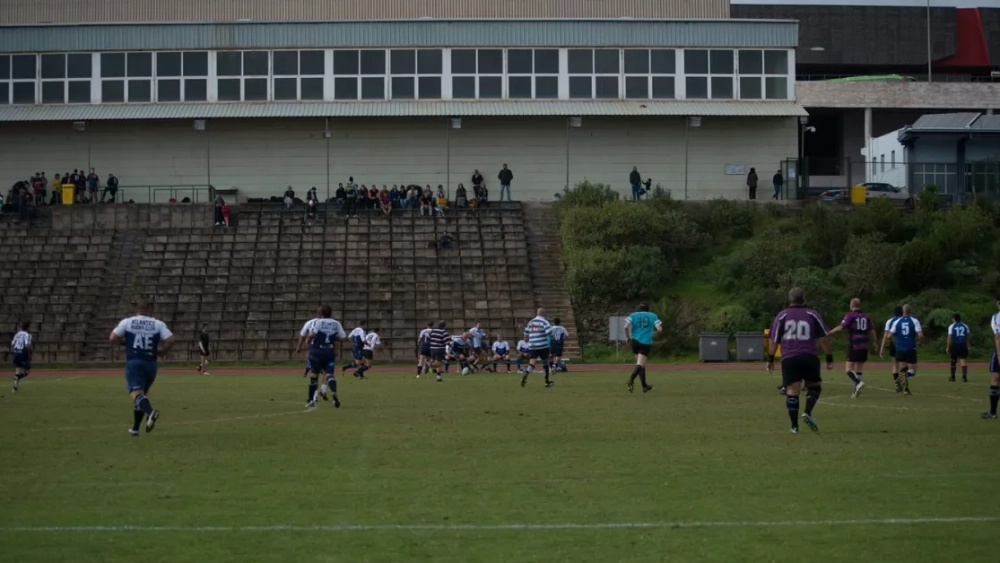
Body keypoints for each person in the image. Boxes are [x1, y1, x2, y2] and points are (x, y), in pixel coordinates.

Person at [766, 288, 832, 434]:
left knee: (792, 391)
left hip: (789, 358)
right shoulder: (813, 314)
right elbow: (823, 339)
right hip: (809, 356)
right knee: (814, 386)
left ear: (789, 299)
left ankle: (794, 426)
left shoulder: (782, 315)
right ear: (804, 299)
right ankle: (807, 412)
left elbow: (774, 340)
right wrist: (829, 357)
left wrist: (770, 359)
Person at [110, 300, 175, 436]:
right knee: (142, 395)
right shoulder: (158, 324)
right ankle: (135, 429)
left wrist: (125, 344)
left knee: (136, 393)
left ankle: (150, 412)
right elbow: (170, 340)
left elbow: (113, 338)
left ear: (137, 310)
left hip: (135, 361)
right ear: (149, 310)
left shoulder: (128, 322)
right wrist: (163, 351)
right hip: (151, 363)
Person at [295, 305, 346, 409]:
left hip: (316, 351)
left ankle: (311, 400)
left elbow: (311, 335)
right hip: (329, 351)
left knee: (314, 375)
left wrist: (308, 341)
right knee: (330, 375)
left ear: (320, 313)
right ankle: (334, 395)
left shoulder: (317, 322)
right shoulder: (336, 323)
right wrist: (332, 338)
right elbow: (342, 337)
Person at [825, 298, 876, 398]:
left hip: (855, 345)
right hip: (864, 345)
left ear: (852, 305)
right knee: (859, 369)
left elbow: (841, 327)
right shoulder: (866, 316)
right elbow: (872, 331)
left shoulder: (850, 315)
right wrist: (875, 342)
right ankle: (856, 390)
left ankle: (858, 382)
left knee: (848, 369)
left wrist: (830, 332)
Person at [880, 304, 923, 395]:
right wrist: (919, 341)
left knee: (901, 367)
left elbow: (888, 336)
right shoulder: (914, 321)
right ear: (910, 311)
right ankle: (903, 381)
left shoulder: (895, 322)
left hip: (899, 348)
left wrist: (894, 340)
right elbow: (920, 335)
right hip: (910, 348)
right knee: (912, 370)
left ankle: (904, 388)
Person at [624, 303, 662, 393]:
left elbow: (625, 327)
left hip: (635, 341)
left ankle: (644, 386)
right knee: (640, 364)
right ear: (648, 309)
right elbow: (660, 329)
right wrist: (654, 334)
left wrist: (628, 337)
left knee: (641, 364)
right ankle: (631, 379)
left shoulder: (633, 315)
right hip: (645, 342)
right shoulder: (652, 316)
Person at [520, 308, 554, 387]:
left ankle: (526, 372)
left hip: (532, 346)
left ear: (537, 313)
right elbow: (549, 332)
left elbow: (526, 334)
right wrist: (552, 337)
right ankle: (546, 381)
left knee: (532, 363)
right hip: (543, 345)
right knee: (545, 363)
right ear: (544, 314)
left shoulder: (530, 322)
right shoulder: (544, 321)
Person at [982, 297, 1000, 420]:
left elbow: (998, 336)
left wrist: (999, 355)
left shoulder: (997, 317)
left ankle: (993, 412)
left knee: (995, 379)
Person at [882, 306, 903, 387]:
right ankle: (901, 381)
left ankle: (897, 383)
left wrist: (882, 348)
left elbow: (886, 336)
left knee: (895, 364)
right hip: (903, 343)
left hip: (893, 344)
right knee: (904, 365)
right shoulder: (905, 320)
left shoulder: (890, 321)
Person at [947, 313, 971, 383]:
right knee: (963, 360)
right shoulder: (965, 326)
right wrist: (968, 344)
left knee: (953, 361)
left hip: (955, 344)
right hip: (963, 344)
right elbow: (968, 335)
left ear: (954, 319)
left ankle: (952, 377)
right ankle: (964, 377)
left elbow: (950, 337)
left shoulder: (952, 326)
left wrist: (948, 347)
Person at [11, 321, 33, 393]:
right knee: (28, 371)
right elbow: (27, 345)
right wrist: (31, 351)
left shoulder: (17, 334)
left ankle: (15, 388)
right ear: (28, 327)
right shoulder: (28, 335)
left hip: (16, 353)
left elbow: (12, 344)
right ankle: (18, 377)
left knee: (18, 371)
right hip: (23, 353)